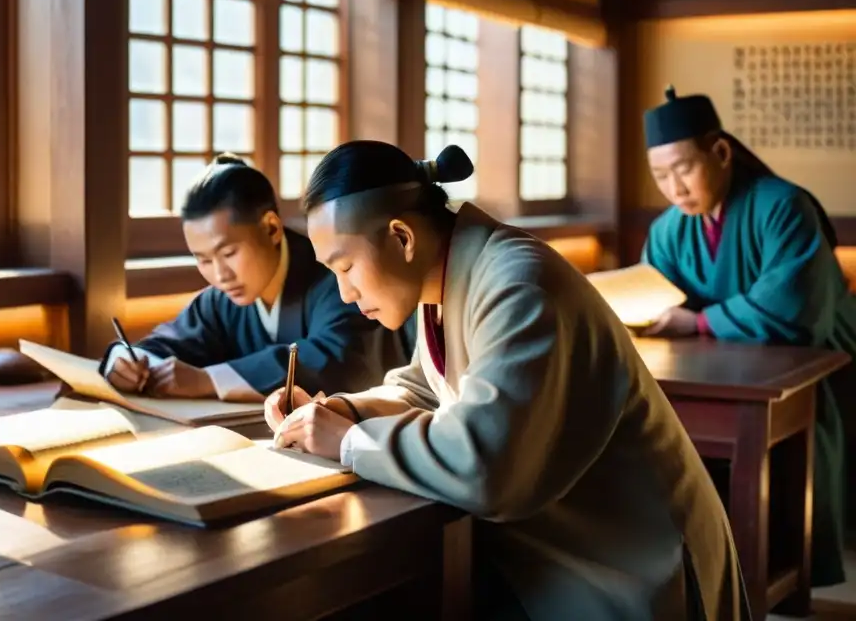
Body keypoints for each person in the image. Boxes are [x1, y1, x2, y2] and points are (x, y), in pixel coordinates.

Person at [265, 140, 750, 620]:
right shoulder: (447, 279)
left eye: (346, 267)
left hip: (628, 561)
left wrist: (350, 441)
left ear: (402, 237)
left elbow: (487, 468)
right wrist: (340, 413)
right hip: (552, 548)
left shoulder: (517, 284)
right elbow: (423, 390)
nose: (345, 293)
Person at [639, 85, 854, 588]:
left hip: (813, 356)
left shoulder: (783, 206)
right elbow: (655, 292)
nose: (674, 187)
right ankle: (713, 566)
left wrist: (699, 322)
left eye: (683, 168)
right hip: (722, 367)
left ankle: (787, 567)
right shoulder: (669, 230)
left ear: (720, 152)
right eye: (660, 175)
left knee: (802, 454)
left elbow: (795, 306)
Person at [100, 154, 412, 401]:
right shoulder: (222, 298)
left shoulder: (335, 272)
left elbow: (337, 356)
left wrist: (208, 380)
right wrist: (124, 361)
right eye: (203, 259)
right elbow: (164, 345)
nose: (220, 274)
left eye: (229, 253)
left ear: (271, 228)